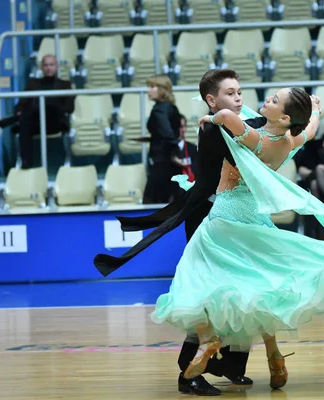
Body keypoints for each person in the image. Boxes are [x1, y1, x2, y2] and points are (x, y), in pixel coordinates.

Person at [149, 87, 324, 390]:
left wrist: (212, 118)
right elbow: (310, 129)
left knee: (194, 277)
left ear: (285, 116)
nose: (267, 100)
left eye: (274, 100)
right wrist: (316, 109)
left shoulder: (256, 138)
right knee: (264, 287)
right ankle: (274, 356)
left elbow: (227, 116)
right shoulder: (287, 142)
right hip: (258, 218)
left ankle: (206, 339)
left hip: (226, 216)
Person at [95, 69, 271, 396]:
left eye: (239, 91)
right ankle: (189, 373)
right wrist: (283, 116)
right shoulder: (215, 127)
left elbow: (256, 131)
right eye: (230, 93)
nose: (238, 98)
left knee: (242, 288)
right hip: (208, 216)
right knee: (211, 296)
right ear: (211, 100)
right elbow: (258, 135)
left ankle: (230, 365)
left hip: (229, 214)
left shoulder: (226, 121)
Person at [4, 54, 74, 169]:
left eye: (51, 65)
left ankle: (10, 121)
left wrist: (49, 106)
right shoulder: (33, 83)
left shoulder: (65, 85)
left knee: (44, 108)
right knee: (25, 124)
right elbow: (22, 103)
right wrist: (19, 111)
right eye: (46, 65)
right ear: (41, 68)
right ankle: (26, 163)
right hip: (35, 121)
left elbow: (70, 108)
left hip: (54, 122)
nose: (48, 68)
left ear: (56, 66)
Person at [142, 74, 182, 204]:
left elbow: (167, 134)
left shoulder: (159, 110)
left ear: (162, 89)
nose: (148, 90)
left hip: (162, 162)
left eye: (152, 87)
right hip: (171, 162)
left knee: (151, 202)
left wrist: (172, 153)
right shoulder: (171, 107)